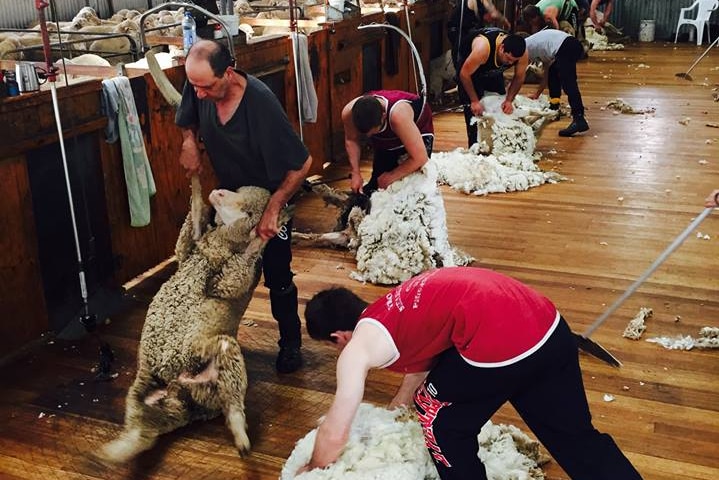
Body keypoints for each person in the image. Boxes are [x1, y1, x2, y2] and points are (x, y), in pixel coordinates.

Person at [300, 267, 644, 480]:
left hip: (505, 344)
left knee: (438, 420)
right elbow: (429, 358)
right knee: (573, 436)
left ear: (337, 337)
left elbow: (335, 430)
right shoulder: (395, 306)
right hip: (548, 327)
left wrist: (314, 467)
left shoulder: (357, 346)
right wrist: (400, 401)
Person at [175, 39, 312, 374]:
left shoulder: (260, 104)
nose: (199, 94)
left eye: (205, 87)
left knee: (277, 272)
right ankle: (211, 345)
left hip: (269, 194)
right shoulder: (199, 83)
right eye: (194, 86)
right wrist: (189, 141)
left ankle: (290, 343)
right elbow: (188, 115)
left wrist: (274, 208)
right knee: (220, 272)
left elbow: (303, 163)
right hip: (231, 195)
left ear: (229, 74)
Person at [341, 91, 434, 195]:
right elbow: (351, 139)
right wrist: (355, 173)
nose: (368, 136)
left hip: (417, 124)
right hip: (389, 129)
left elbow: (420, 158)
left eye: (373, 132)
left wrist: (392, 176)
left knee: (412, 185)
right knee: (376, 186)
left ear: (383, 116)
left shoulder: (398, 116)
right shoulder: (348, 113)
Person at [456, 28, 529, 147]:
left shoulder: (522, 53)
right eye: (509, 59)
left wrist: (509, 100)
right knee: (475, 111)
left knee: (500, 104)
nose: (510, 63)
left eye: (513, 61)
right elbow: (464, 74)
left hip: (492, 69)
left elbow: (519, 77)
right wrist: (474, 100)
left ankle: (498, 145)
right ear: (501, 48)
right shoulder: (482, 48)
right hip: (469, 68)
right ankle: (476, 146)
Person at [525, 29, 589, 136]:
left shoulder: (524, 49)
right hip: (571, 44)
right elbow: (546, 74)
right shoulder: (538, 48)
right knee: (553, 73)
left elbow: (520, 74)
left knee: (569, 83)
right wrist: (537, 94)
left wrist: (509, 95)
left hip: (565, 46)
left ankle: (579, 119)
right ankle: (554, 107)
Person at [447, 0, 511, 69]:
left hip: (468, 27)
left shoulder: (482, 3)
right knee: (462, 52)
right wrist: (506, 22)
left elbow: (487, 16)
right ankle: (461, 72)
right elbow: (493, 14)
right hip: (457, 29)